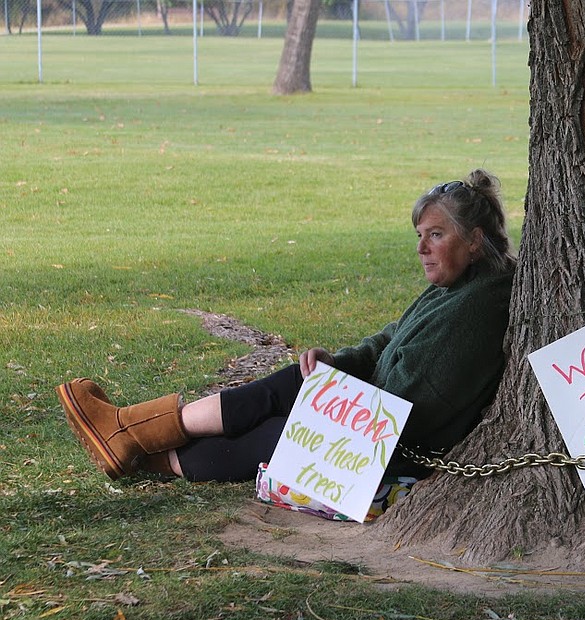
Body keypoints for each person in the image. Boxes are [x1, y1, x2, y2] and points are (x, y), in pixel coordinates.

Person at [55, 169, 516, 485]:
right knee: (294, 386)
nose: (422, 248)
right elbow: (390, 338)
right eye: (420, 235)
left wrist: (335, 392)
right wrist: (337, 364)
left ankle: (137, 444)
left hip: (394, 451)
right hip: (379, 423)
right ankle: (131, 436)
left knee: (284, 428)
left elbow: (414, 403)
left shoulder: (480, 304)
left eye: (436, 234)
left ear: (474, 241)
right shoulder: (457, 284)